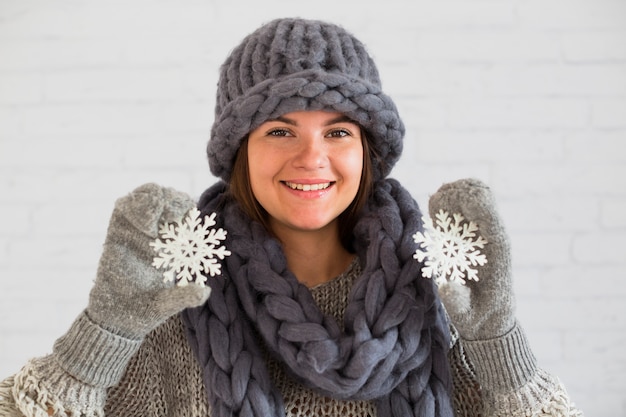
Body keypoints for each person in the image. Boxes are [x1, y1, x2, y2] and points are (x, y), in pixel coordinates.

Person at [0, 17, 583, 417]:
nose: (312, 157)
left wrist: (500, 344)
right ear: (240, 153)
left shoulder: (441, 299)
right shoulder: (178, 298)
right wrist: (104, 331)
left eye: (338, 131)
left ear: (366, 153)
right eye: (280, 130)